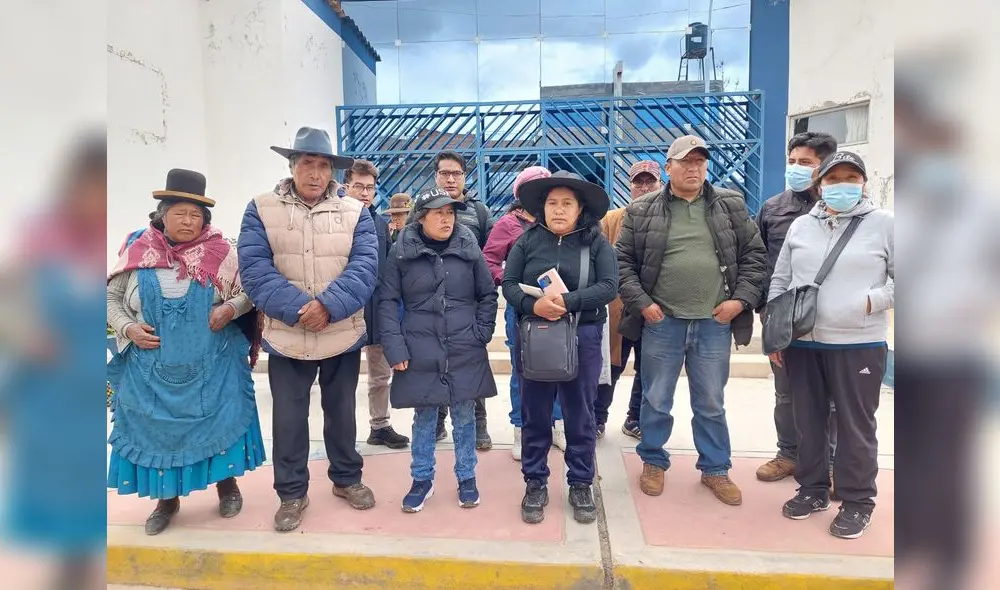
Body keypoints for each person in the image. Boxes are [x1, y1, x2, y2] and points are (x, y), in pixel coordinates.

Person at [107, 169, 265, 536]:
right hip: (151, 370)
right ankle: (167, 501)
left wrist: (229, 309)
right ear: (162, 215)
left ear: (205, 219)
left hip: (213, 364)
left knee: (220, 425)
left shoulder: (224, 252)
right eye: (180, 212)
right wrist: (128, 327)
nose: (188, 221)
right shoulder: (137, 249)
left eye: (196, 215)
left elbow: (252, 291)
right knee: (160, 434)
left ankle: (227, 488)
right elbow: (111, 297)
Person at [238, 126, 379, 532]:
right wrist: (301, 309)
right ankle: (292, 493)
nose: (315, 173)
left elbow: (365, 267)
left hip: (340, 332)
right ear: (291, 166)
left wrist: (329, 306)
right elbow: (254, 268)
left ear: (332, 171)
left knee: (341, 413)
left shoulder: (356, 211)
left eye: (322, 165)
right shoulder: (261, 208)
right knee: (288, 419)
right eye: (307, 164)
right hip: (287, 335)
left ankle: (346, 478)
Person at [617, 135, 767, 507]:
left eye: (700, 162)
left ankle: (715, 469)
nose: (693, 168)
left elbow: (755, 257)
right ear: (668, 167)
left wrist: (739, 301)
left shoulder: (729, 205)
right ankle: (653, 461)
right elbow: (622, 263)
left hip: (713, 323)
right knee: (655, 398)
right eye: (685, 162)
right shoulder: (643, 210)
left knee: (711, 401)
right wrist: (644, 304)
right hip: (662, 322)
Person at [767, 151, 893, 539]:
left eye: (850, 178)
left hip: (858, 343)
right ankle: (813, 489)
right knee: (808, 421)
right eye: (833, 178)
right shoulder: (802, 226)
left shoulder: (885, 224)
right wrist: (777, 332)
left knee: (856, 426)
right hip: (804, 343)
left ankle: (857, 501)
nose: (842, 185)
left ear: (863, 183)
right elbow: (781, 279)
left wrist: (870, 302)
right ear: (820, 185)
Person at [502, 171, 618, 525]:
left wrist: (568, 301)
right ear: (542, 207)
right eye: (552, 203)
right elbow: (508, 283)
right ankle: (535, 482)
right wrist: (531, 305)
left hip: (582, 336)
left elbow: (610, 286)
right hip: (536, 334)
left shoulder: (595, 243)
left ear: (580, 208)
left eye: (567, 203)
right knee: (534, 412)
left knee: (579, 413)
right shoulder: (527, 241)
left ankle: (581, 482)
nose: (559, 209)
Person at [377, 187, 498, 512]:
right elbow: (387, 301)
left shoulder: (467, 246)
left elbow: (487, 294)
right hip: (419, 346)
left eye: (451, 213)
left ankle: (466, 478)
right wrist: (394, 345)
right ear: (422, 217)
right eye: (439, 213)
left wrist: (482, 332)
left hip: (464, 344)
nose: (446, 219)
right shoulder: (402, 251)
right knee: (424, 415)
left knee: (464, 415)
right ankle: (421, 478)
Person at [754, 132, 839, 484]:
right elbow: (758, 264)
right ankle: (788, 454)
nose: (795, 168)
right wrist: (767, 318)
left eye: (805, 163)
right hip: (785, 319)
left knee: (832, 397)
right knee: (785, 393)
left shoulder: (848, 211)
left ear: (825, 165)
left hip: (835, 319)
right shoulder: (773, 209)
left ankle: (829, 462)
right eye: (792, 162)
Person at [482, 166, 566, 461]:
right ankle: (521, 429)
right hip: (521, 309)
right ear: (521, 194)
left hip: (558, 308)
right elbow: (488, 260)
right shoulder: (508, 224)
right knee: (522, 371)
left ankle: (557, 425)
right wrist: (510, 281)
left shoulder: (557, 223)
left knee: (559, 366)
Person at [343, 160, 410, 450]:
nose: (364, 192)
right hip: (342, 312)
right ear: (346, 187)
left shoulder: (380, 224)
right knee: (340, 380)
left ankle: (379, 426)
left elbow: (386, 271)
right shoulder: (334, 220)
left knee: (380, 374)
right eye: (358, 186)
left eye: (369, 187)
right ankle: (341, 435)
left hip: (378, 309)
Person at [433, 150, 495, 449]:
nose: (450, 178)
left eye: (456, 173)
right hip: (431, 308)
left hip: (467, 306)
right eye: (445, 173)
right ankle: (438, 421)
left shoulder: (479, 213)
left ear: (464, 177)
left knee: (472, 366)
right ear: (436, 176)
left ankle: (479, 424)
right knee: (435, 365)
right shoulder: (425, 210)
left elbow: (491, 256)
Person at [595, 160, 660, 440]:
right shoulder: (612, 219)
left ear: (661, 184)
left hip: (657, 309)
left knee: (649, 369)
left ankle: (636, 418)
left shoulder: (668, 219)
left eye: (650, 182)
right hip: (620, 309)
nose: (644, 187)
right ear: (630, 185)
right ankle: (597, 418)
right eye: (639, 182)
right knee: (611, 367)